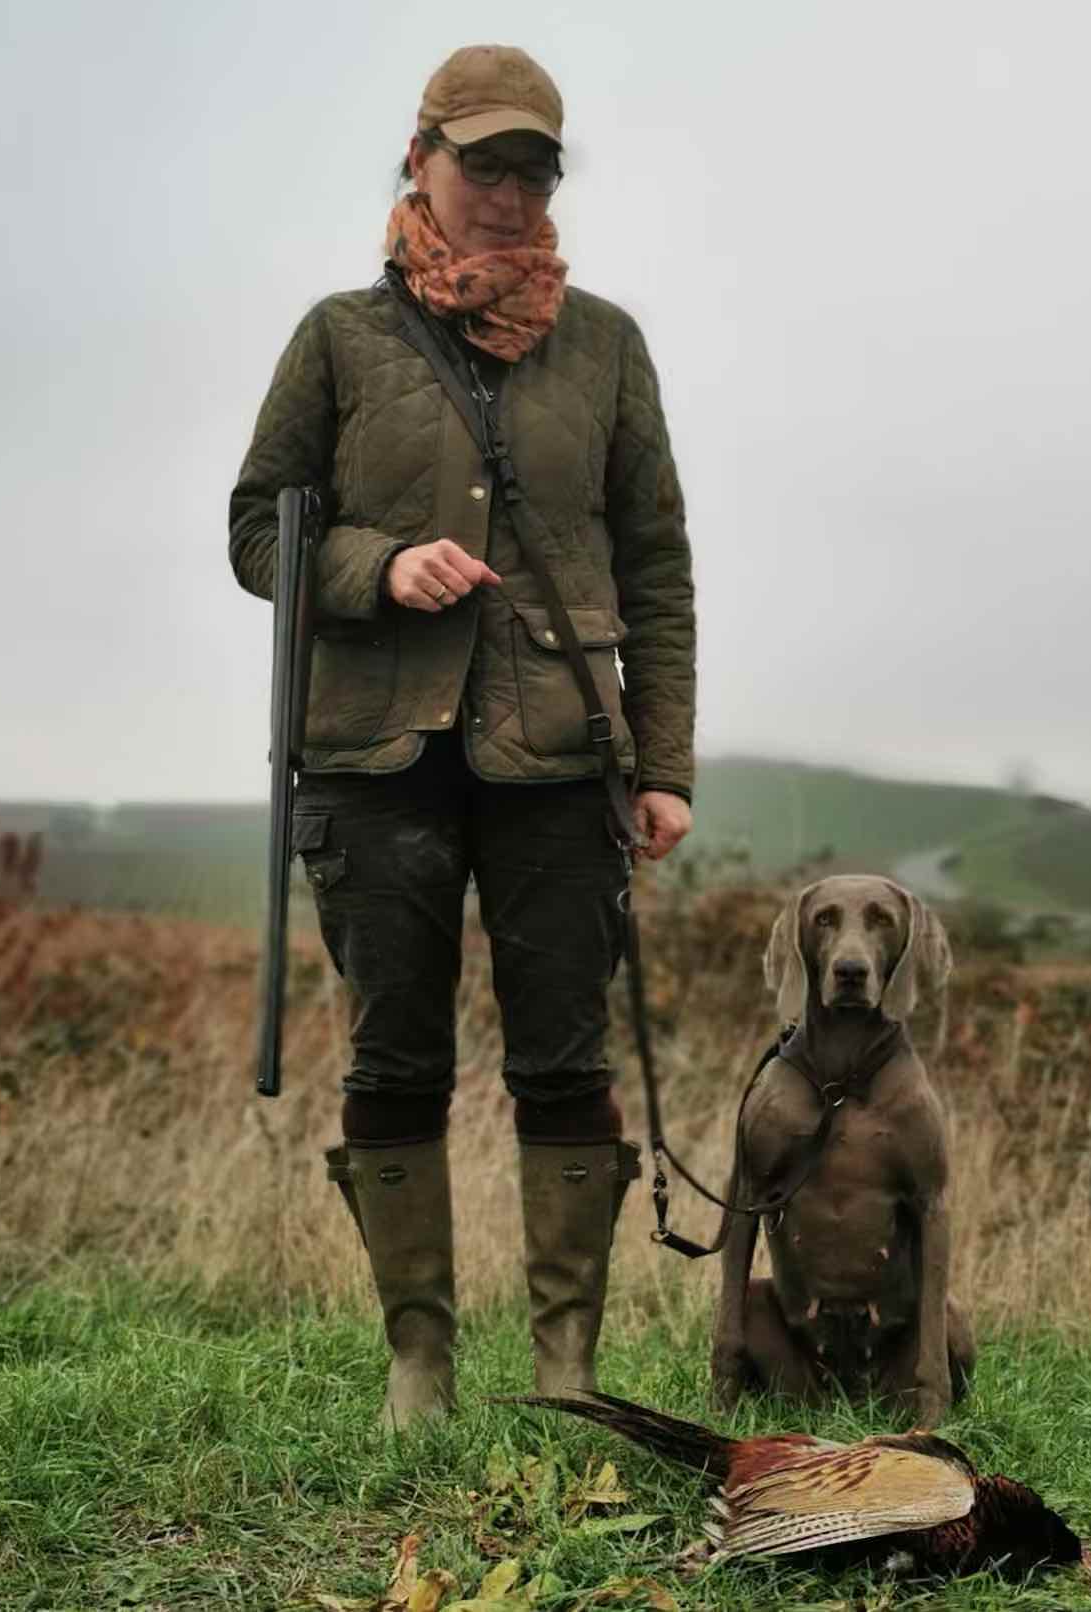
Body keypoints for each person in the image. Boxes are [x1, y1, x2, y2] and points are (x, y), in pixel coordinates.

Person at [228, 44, 695, 1430]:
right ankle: (418, 1365)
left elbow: (658, 562)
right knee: (396, 1060)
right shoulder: (338, 337)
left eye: (533, 168)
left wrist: (662, 764)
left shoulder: (605, 344)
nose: (506, 190)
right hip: (375, 758)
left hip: (561, 755)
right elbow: (261, 531)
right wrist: (377, 567)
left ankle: (564, 1374)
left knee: (565, 1058)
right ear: (421, 160)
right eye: (482, 161)